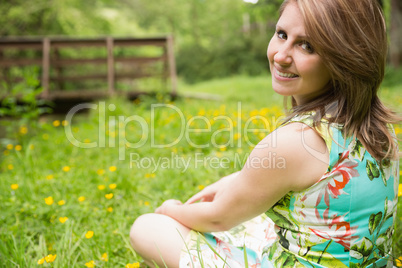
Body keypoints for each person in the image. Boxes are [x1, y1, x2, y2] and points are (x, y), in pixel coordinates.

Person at [129, 0, 400, 267]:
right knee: (255, 220)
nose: (281, 55)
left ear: (346, 57)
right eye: (281, 34)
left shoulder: (296, 141)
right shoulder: (379, 126)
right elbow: (291, 177)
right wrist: (232, 183)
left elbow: (217, 218)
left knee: (147, 228)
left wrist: (170, 210)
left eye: (307, 45)